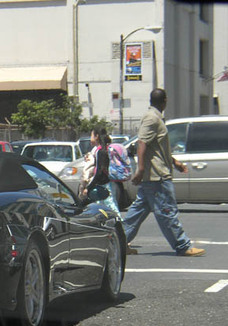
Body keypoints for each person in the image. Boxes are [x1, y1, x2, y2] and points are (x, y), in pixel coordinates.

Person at [123, 88, 205, 257]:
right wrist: (141, 169)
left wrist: (175, 162)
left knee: (137, 212)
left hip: (154, 175)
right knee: (167, 211)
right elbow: (142, 143)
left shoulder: (156, 118)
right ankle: (182, 245)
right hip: (157, 176)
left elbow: (158, 149)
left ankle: (119, 242)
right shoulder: (152, 118)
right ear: (165, 101)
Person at [79, 127, 121, 217]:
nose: (90, 138)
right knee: (103, 208)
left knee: (111, 207)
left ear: (96, 136)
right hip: (109, 182)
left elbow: (99, 171)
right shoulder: (104, 148)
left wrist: (89, 187)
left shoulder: (100, 151)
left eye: (91, 135)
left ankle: (119, 226)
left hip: (104, 184)